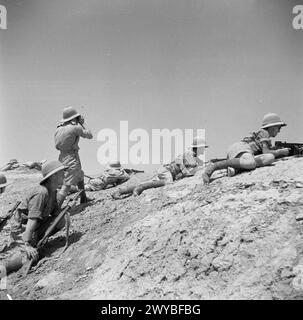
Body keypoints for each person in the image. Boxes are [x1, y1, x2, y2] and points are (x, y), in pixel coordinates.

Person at [0, 160, 66, 276]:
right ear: (54, 176)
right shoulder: (41, 193)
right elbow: (31, 221)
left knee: (61, 221)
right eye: (62, 172)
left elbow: (56, 213)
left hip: (36, 227)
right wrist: (27, 245)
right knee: (26, 257)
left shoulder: (52, 191)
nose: (64, 175)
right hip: (22, 231)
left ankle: (36, 243)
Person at [202, 113, 290, 183]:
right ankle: (214, 166)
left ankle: (235, 168)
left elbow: (266, 153)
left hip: (243, 153)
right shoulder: (264, 133)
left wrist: (277, 150)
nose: (279, 131)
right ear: (272, 127)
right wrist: (280, 151)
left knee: (269, 158)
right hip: (241, 147)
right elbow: (266, 151)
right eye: (278, 128)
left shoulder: (265, 137)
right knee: (251, 162)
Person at [112, 136, 208, 199]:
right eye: (203, 148)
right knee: (168, 183)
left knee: (150, 183)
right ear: (197, 148)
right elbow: (179, 161)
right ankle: (139, 188)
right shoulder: (188, 154)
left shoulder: (194, 158)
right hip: (166, 170)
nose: (203, 150)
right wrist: (184, 171)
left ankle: (121, 191)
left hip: (168, 172)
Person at [55, 107, 93, 206]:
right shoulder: (75, 127)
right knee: (67, 185)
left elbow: (57, 146)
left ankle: (83, 198)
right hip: (71, 157)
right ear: (73, 118)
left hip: (62, 157)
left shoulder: (58, 129)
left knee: (80, 175)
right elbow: (89, 135)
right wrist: (82, 123)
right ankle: (55, 210)